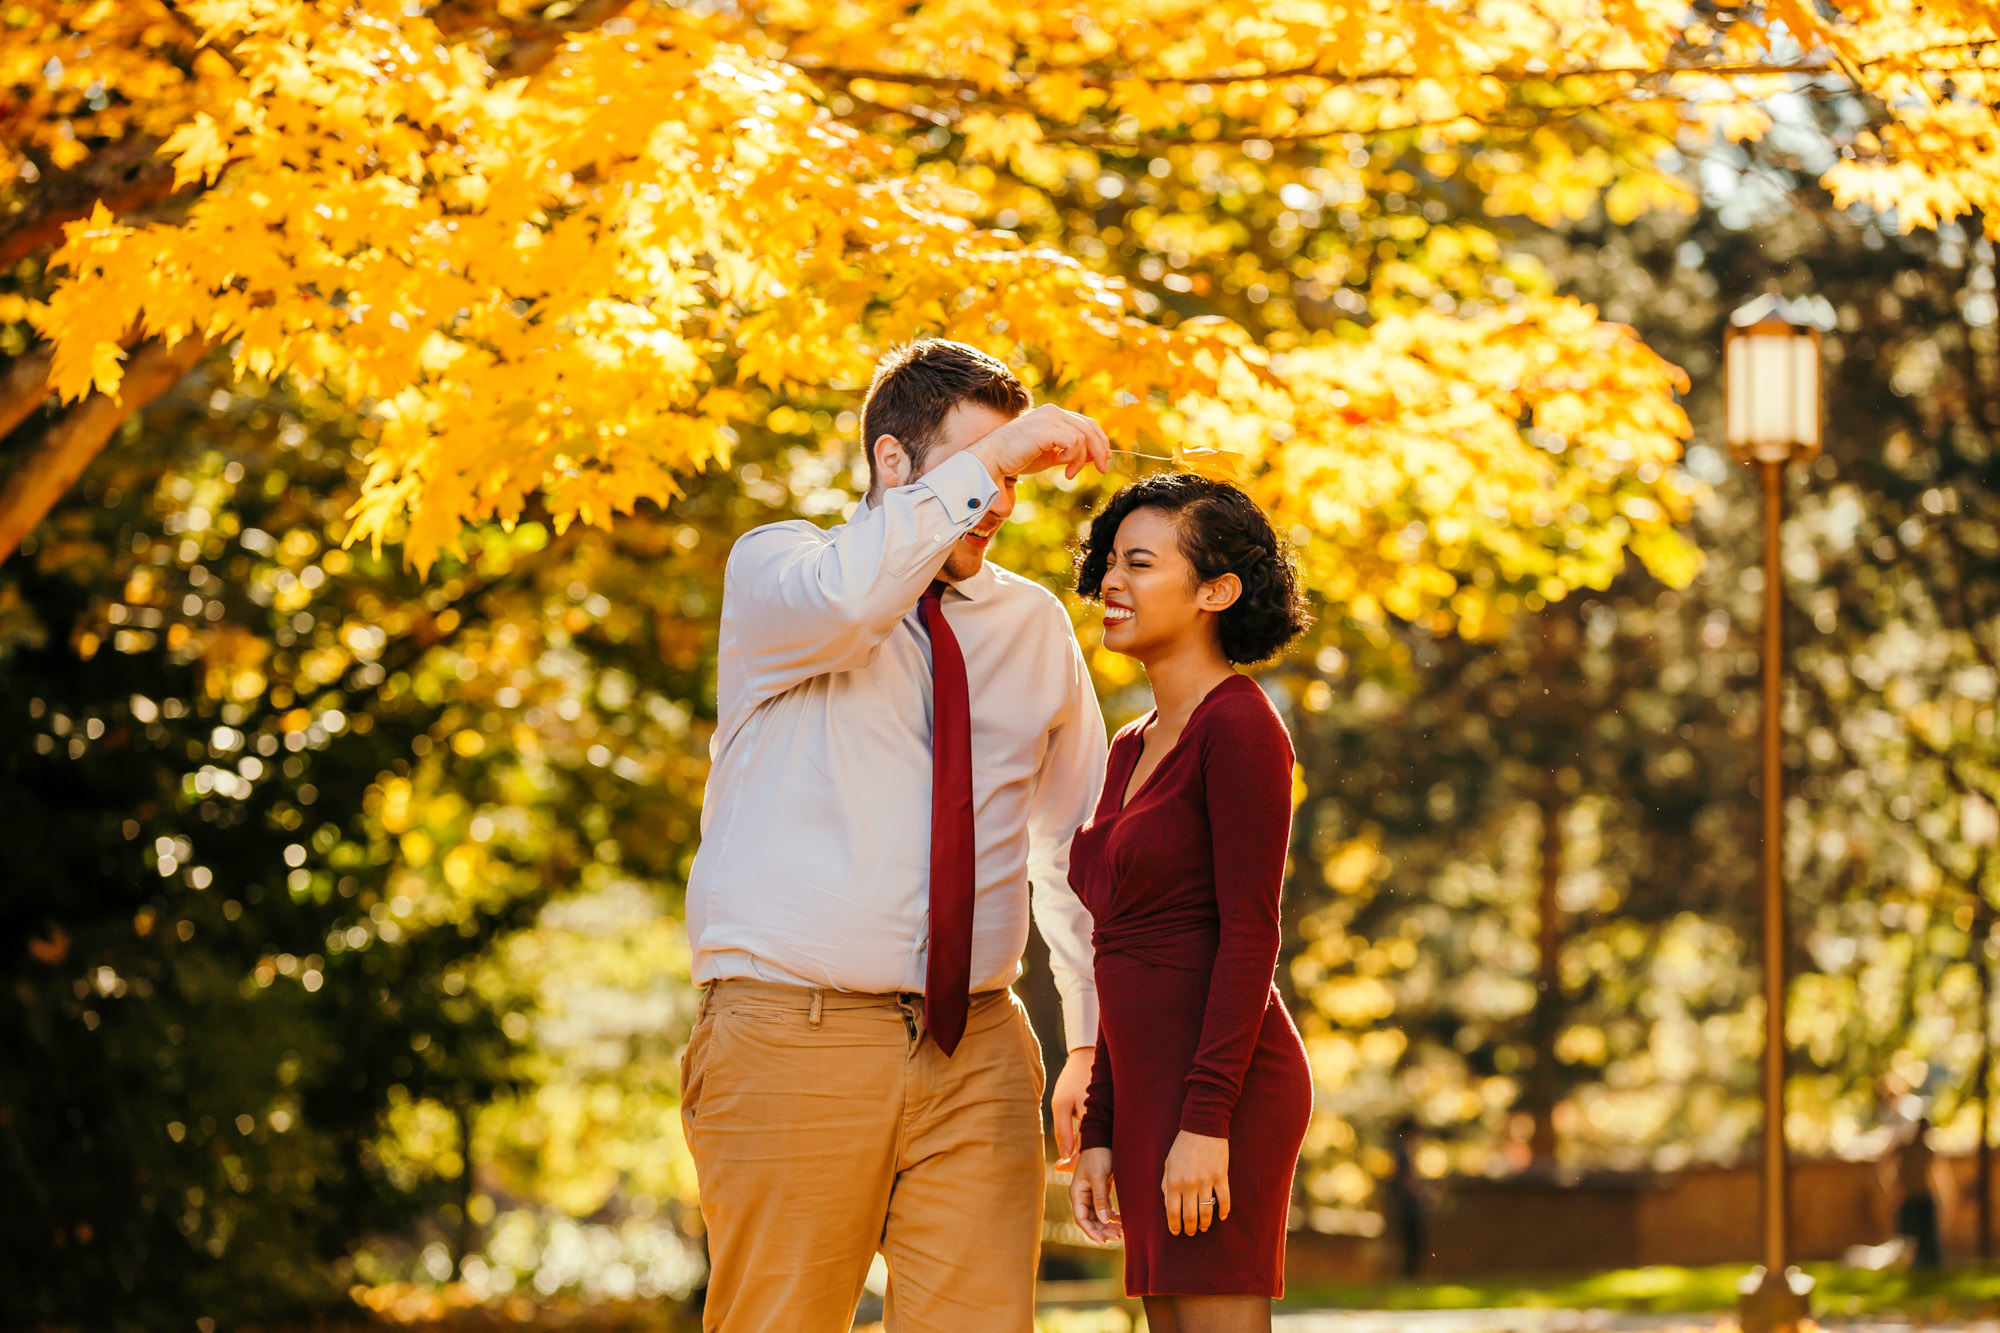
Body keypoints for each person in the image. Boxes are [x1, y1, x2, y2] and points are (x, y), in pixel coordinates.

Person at [680, 339, 1114, 1331]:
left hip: (980, 1048)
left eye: (1006, 477)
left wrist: (1088, 1044)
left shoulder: (1031, 627)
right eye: (978, 469)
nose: (999, 505)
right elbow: (850, 603)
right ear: (891, 462)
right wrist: (997, 461)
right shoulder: (779, 573)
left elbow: (1075, 855)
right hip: (793, 1037)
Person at [1066, 473, 1314, 1333]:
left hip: (1223, 1092)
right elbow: (1112, 950)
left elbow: (1253, 933)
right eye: (1109, 563)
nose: (1111, 582)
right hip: (1145, 1092)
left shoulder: (1240, 726)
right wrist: (1098, 1123)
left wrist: (1206, 1120)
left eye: (1139, 562)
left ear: (1216, 590)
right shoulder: (1129, 744)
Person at [1892, 1116, 1944, 1270]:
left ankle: (1930, 1266)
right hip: (1909, 1198)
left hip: (1924, 1198)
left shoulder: (1928, 1151)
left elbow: (1934, 1177)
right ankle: (1909, 1266)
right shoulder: (1905, 1149)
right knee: (1908, 1238)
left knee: (1928, 1239)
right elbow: (1889, 1163)